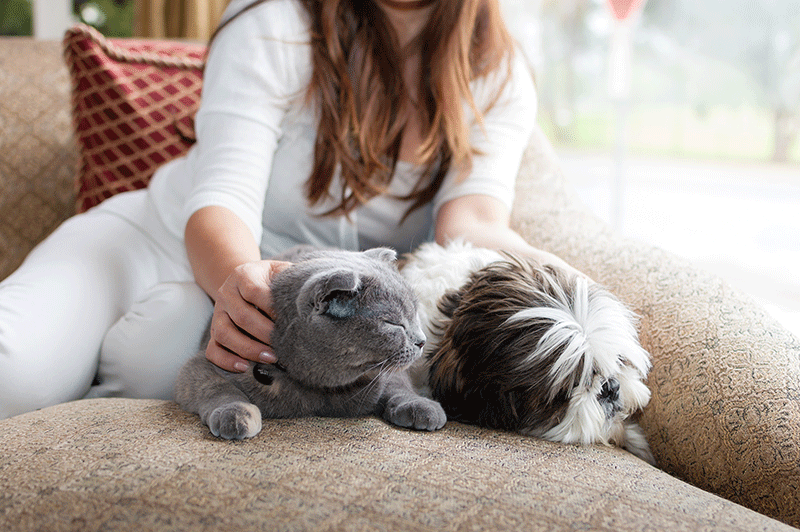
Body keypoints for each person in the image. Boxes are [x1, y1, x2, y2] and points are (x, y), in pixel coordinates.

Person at [0, 0, 582, 419]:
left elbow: (473, 225)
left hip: (294, 314)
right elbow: (221, 200)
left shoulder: (497, 72)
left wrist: (575, 282)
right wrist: (238, 281)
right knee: (15, 378)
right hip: (144, 244)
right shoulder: (273, 22)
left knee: (158, 363)